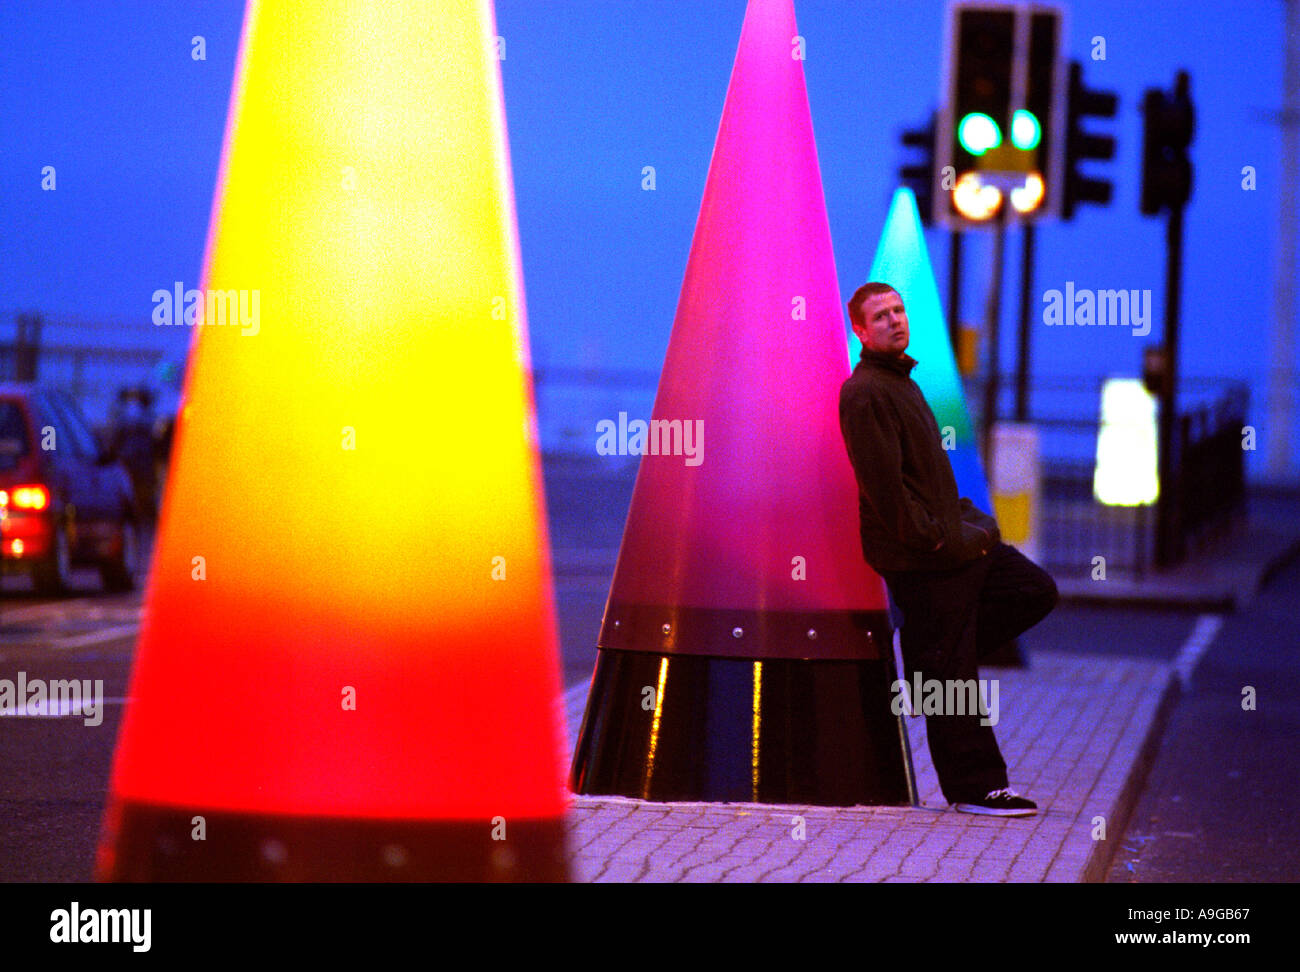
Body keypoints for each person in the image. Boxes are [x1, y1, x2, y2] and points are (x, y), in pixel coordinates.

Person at [838, 281, 1058, 817]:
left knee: (1034, 591)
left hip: (948, 541)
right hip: (923, 555)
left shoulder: (902, 383)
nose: (894, 320)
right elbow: (886, 491)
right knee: (951, 675)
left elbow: (926, 482)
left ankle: (931, 663)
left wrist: (968, 523)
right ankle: (976, 789)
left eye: (898, 310)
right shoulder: (866, 391)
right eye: (881, 316)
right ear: (861, 331)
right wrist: (938, 538)